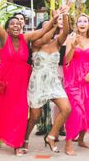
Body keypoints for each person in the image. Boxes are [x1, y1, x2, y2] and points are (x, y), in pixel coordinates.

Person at [0, 0, 61, 155]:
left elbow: (42, 31)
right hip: (2, 81)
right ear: (7, 27)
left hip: (21, 81)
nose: (16, 26)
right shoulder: (3, 38)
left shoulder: (25, 37)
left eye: (18, 24)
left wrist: (54, 20)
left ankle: (17, 143)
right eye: (12, 24)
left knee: (19, 112)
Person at [24, 8, 71, 153]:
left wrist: (64, 15)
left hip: (53, 81)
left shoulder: (57, 43)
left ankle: (51, 136)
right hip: (37, 82)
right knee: (35, 117)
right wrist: (54, 23)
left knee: (66, 108)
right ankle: (25, 139)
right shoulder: (36, 44)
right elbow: (44, 37)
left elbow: (66, 32)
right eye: (45, 26)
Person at [63, 14, 89, 156]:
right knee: (76, 110)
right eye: (80, 21)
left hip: (87, 78)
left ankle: (81, 140)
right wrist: (72, 47)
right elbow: (66, 60)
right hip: (72, 77)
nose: (82, 23)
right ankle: (68, 143)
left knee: (86, 109)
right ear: (76, 24)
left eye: (85, 21)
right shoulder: (71, 38)